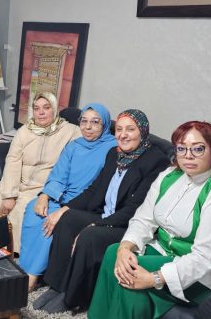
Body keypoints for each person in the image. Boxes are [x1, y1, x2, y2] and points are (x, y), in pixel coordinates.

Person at [88, 121, 211, 319]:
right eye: (181, 148)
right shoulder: (168, 176)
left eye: (198, 149)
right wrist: (125, 247)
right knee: (113, 253)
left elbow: (203, 258)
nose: (188, 155)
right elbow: (143, 219)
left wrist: (154, 278)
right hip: (169, 253)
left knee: (132, 274)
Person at [33, 109, 170, 313]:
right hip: (105, 214)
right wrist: (65, 209)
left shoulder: (155, 161)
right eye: (119, 129)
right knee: (67, 219)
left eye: (130, 129)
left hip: (127, 225)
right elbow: (95, 190)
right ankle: (57, 285)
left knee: (89, 236)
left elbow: (135, 209)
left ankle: (73, 298)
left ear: (142, 132)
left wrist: (95, 224)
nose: (123, 135)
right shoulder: (114, 154)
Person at [20, 103, 117, 291]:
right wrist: (44, 196)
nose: (88, 127)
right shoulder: (74, 146)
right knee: (33, 209)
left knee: (51, 222)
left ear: (104, 124)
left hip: (85, 204)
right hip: (62, 197)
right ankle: (25, 268)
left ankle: (32, 276)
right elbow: (58, 175)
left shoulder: (112, 149)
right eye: (84, 121)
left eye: (95, 122)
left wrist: (65, 209)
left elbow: (100, 190)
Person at [0, 92, 81, 254]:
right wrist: (9, 194)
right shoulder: (25, 130)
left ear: (54, 109)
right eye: (36, 108)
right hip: (15, 182)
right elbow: (12, 161)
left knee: (16, 218)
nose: (41, 112)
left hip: (37, 189)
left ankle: (10, 259)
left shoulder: (70, 131)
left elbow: (92, 136)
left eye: (46, 108)